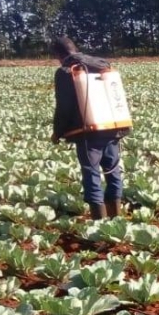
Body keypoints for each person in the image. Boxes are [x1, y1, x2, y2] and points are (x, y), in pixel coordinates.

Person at [50, 36, 128, 220]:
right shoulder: (101, 64)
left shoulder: (65, 71)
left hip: (88, 132)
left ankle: (99, 221)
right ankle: (116, 217)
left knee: (91, 173)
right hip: (113, 127)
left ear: (59, 55)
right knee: (113, 170)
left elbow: (64, 107)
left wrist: (57, 132)